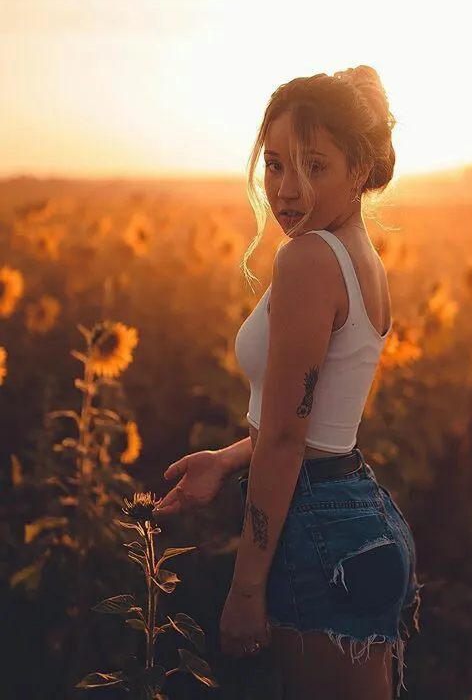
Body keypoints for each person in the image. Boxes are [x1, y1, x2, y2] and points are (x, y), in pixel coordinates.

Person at [154, 65, 422, 700]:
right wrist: (226, 458)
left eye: (314, 166)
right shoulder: (360, 255)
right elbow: (317, 422)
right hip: (360, 510)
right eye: (275, 165)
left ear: (360, 169)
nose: (288, 189)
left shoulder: (307, 259)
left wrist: (247, 588)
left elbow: (285, 440)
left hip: (315, 527)